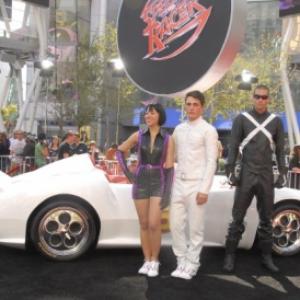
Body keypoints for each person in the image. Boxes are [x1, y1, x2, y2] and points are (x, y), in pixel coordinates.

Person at [223, 84, 286, 273]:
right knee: (237, 218)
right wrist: (229, 171)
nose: (260, 100)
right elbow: (233, 146)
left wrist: (282, 172)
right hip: (246, 174)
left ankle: (266, 257)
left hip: (266, 174)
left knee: (267, 218)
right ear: (252, 97)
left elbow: (281, 150)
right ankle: (230, 255)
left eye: (264, 97)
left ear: (269, 99)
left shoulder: (276, 121)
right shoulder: (242, 119)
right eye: (257, 96)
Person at [116, 103, 174, 277]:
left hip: (159, 181)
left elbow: (170, 168)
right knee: (143, 224)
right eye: (146, 113)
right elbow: (120, 151)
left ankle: (155, 260)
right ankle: (146, 259)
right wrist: (128, 174)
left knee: (154, 224)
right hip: (140, 181)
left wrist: (167, 193)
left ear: (159, 116)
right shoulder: (138, 135)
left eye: (152, 113)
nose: (147, 116)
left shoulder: (169, 139)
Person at [170, 90, 218, 280]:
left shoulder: (208, 130)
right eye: (188, 104)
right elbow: (171, 156)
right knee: (175, 226)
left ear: (202, 107)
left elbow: (211, 161)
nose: (191, 107)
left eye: (195, 104)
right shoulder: (178, 130)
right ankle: (181, 260)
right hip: (178, 183)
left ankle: (193, 263)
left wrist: (204, 189)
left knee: (195, 228)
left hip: (196, 184)